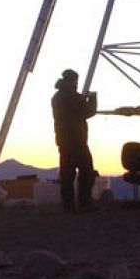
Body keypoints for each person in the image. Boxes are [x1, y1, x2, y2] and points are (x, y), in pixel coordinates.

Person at [51, 69, 98, 213]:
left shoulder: (57, 97)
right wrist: (93, 99)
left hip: (64, 140)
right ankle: (84, 202)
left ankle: (68, 205)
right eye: (75, 82)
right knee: (86, 171)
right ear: (72, 81)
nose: (76, 84)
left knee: (67, 174)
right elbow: (88, 112)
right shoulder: (72, 96)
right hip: (77, 140)